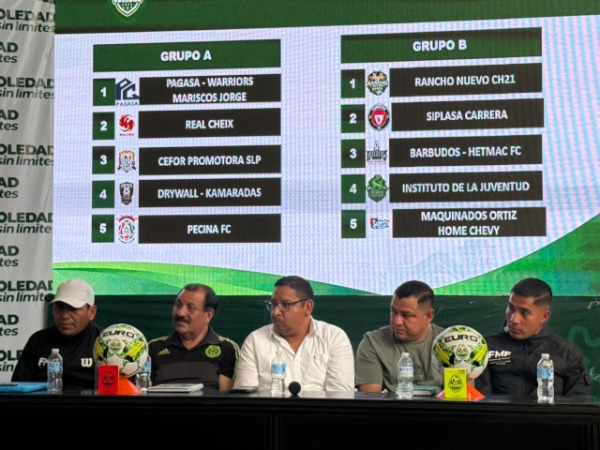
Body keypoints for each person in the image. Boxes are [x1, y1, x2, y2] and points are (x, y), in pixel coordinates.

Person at [234, 275, 355, 392]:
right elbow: (246, 397)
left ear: (307, 307)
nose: (275, 312)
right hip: (269, 407)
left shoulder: (334, 338)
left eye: (286, 304)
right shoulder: (255, 341)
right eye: (274, 304)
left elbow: (339, 396)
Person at [476, 277, 591, 396]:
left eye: (524, 312)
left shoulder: (567, 353)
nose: (514, 319)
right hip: (496, 409)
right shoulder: (483, 348)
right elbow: (479, 402)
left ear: (544, 317)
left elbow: (579, 403)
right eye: (511, 308)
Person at [354, 280, 445, 393]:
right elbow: (370, 399)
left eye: (406, 315)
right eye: (393, 312)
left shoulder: (450, 344)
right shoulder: (373, 343)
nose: (397, 322)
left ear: (428, 316)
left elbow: (461, 396)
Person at [11, 278, 101, 390]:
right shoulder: (38, 340)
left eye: (73, 309)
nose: (64, 316)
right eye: (59, 307)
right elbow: (17, 389)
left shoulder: (105, 343)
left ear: (91, 312)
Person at [148, 283, 239, 391]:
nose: (180, 313)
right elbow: (142, 392)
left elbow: (226, 397)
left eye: (190, 307)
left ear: (208, 315)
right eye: (178, 305)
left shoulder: (227, 348)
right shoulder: (153, 347)